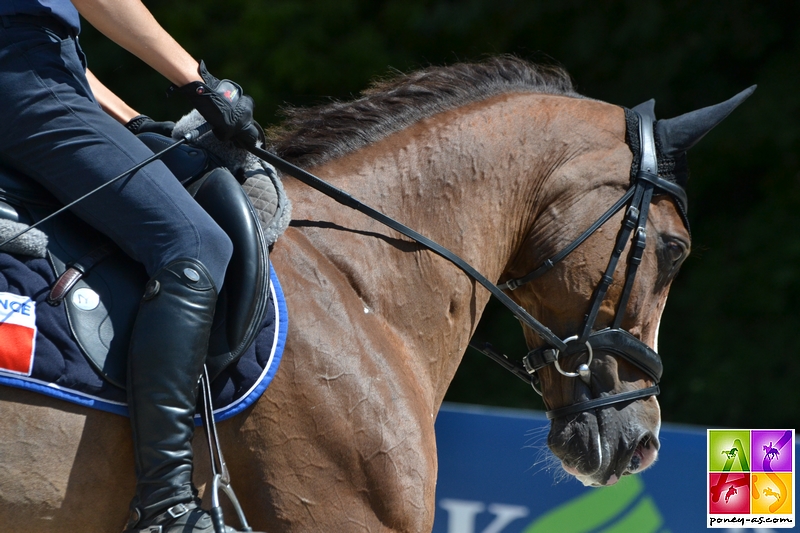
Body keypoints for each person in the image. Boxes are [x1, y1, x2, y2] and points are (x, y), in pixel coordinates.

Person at [0, 1, 262, 531]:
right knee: (193, 240)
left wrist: (134, 121)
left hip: (43, 72)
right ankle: (165, 507)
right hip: (23, 76)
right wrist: (203, 84)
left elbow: (54, 51)